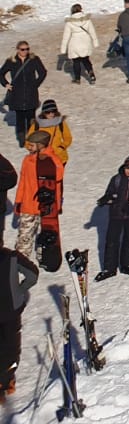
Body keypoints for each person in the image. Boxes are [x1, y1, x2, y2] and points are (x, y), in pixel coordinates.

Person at [94, 155, 129, 280]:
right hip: (116, 214)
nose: (128, 170)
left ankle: (126, 265)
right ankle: (109, 268)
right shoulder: (116, 178)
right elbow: (109, 193)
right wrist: (108, 199)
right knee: (112, 241)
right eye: (127, 168)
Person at [0, 242, 39, 401]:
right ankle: (7, 382)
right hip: (11, 311)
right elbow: (33, 275)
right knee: (11, 348)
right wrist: (19, 290)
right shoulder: (12, 256)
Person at [13, 134, 54, 262]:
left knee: (45, 235)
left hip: (45, 206)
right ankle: (21, 261)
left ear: (41, 145)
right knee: (24, 236)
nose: (28, 147)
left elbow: (58, 178)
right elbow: (22, 182)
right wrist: (18, 201)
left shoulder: (51, 159)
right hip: (28, 205)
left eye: (31, 145)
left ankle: (44, 257)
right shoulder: (27, 160)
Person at [1, 41, 47, 147]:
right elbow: (1, 73)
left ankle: (32, 139)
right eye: (23, 49)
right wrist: (6, 84)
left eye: (27, 49)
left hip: (31, 93)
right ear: (17, 50)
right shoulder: (11, 61)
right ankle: (22, 139)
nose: (25, 51)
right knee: (20, 118)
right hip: (17, 94)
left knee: (31, 118)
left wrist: (36, 84)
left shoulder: (34, 59)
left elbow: (43, 72)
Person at [59, 5, 99, 85]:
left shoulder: (69, 22)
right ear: (81, 10)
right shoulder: (87, 20)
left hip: (74, 43)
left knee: (76, 62)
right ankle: (91, 74)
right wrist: (95, 42)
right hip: (85, 42)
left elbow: (66, 36)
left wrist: (63, 49)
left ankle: (77, 79)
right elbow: (92, 31)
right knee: (86, 60)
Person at [35, 100, 72, 170]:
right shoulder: (37, 124)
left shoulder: (60, 123)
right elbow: (29, 141)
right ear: (43, 112)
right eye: (48, 112)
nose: (51, 114)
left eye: (53, 111)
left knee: (58, 180)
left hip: (59, 157)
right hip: (43, 158)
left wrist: (61, 147)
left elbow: (68, 137)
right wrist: (36, 150)